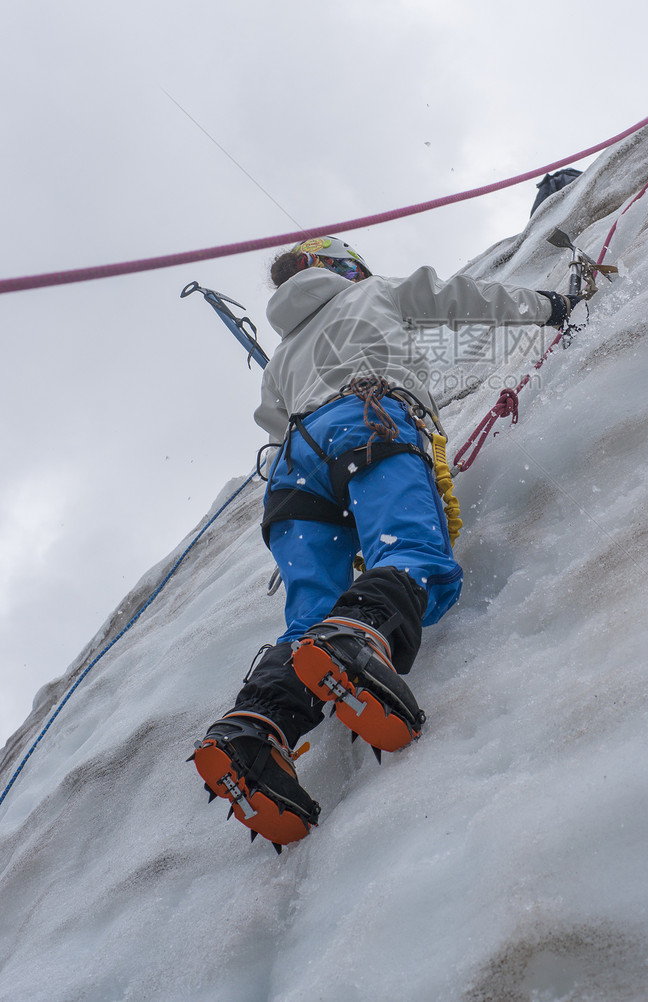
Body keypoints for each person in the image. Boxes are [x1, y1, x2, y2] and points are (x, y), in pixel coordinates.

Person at [192, 235, 583, 849]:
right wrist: (552, 308)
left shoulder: (280, 360)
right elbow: (463, 302)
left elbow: (276, 420)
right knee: (412, 555)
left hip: (292, 470)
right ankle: (356, 640)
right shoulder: (374, 293)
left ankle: (254, 729)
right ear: (344, 268)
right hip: (367, 419)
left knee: (309, 619)